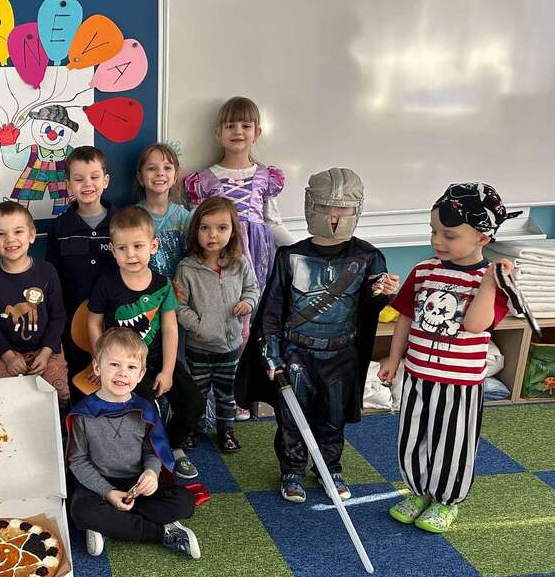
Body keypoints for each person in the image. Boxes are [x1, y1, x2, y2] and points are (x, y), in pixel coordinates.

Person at [236, 168, 399, 503]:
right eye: (326, 207)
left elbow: (369, 308)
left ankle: (329, 468)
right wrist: (271, 354)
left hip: (341, 354)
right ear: (312, 205)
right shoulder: (290, 256)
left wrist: (383, 294)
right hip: (297, 352)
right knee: (292, 419)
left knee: (332, 418)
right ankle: (292, 470)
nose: (334, 217)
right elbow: (272, 311)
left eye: (343, 209)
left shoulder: (368, 257)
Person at [378, 183, 519, 533]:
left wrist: (489, 284)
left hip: (460, 382)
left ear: (483, 238)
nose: (437, 241)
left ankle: (446, 500)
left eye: (449, 235)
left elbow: (475, 325)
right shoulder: (425, 270)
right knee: (413, 437)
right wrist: (393, 359)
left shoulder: (492, 280)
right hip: (417, 374)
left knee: (452, 443)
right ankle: (418, 491)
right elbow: (405, 317)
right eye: (434, 231)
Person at [87, 206, 206, 479]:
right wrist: (101, 361)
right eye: (122, 248)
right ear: (112, 250)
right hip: (123, 364)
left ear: (153, 246)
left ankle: (173, 447)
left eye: (138, 246)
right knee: (146, 409)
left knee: (194, 402)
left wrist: (168, 370)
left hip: (156, 357)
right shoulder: (106, 284)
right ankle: (149, 458)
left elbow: (170, 328)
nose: (131, 254)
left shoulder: (162, 285)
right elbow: (93, 323)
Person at [66, 328, 199, 559]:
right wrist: (108, 493)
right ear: (97, 367)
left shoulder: (145, 409)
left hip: (136, 485)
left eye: (131, 367)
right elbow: (77, 461)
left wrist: (151, 473)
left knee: (185, 501)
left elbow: (153, 450)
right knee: (80, 510)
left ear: (140, 374)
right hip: (99, 484)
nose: (122, 373)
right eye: (114, 364)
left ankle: (110, 525)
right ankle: (160, 532)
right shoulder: (83, 414)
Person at [175, 198, 259, 453]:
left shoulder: (240, 262)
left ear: (232, 231)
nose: (213, 235)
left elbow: (252, 289)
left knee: (226, 393)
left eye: (221, 228)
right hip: (199, 347)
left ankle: (226, 430)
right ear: (196, 230)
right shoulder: (187, 267)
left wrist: (247, 303)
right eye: (205, 228)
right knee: (197, 393)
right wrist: (198, 326)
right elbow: (179, 306)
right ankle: (193, 429)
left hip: (230, 346)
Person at [183, 95, 292, 290]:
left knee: (255, 300)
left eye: (246, 126)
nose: (238, 131)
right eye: (230, 126)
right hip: (221, 255)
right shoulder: (204, 181)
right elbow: (195, 226)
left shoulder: (265, 177)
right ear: (219, 133)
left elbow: (273, 223)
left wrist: (300, 250)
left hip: (259, 255)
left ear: (257, 133)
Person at [0, 201, 69, 409]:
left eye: (18, 231)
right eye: (1, 234)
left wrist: (46, 353)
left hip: (46, 350)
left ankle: (61, 422)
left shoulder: (47, 271)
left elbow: (58, 316)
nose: (10, 239)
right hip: (6, 352)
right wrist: (9, 357)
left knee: (58, 390)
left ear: (32, 235)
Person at [44, 146, 116, 391]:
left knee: (115, 375)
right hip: (72, 321)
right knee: (77, 379)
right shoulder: (59, 228)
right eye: (79, 179)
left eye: (95, 177)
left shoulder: (120, 223)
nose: (87, 184)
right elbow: (52, 278)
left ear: (106, 180)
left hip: (114, 319)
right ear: (68, 185)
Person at [135, 143, 190, 279]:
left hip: (177, 289)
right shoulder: (132, 217)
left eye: (167, 168)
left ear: (175, 176)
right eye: (152, 168)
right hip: (142, 290)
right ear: (140, 178)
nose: (160, 173)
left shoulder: (185, 217)